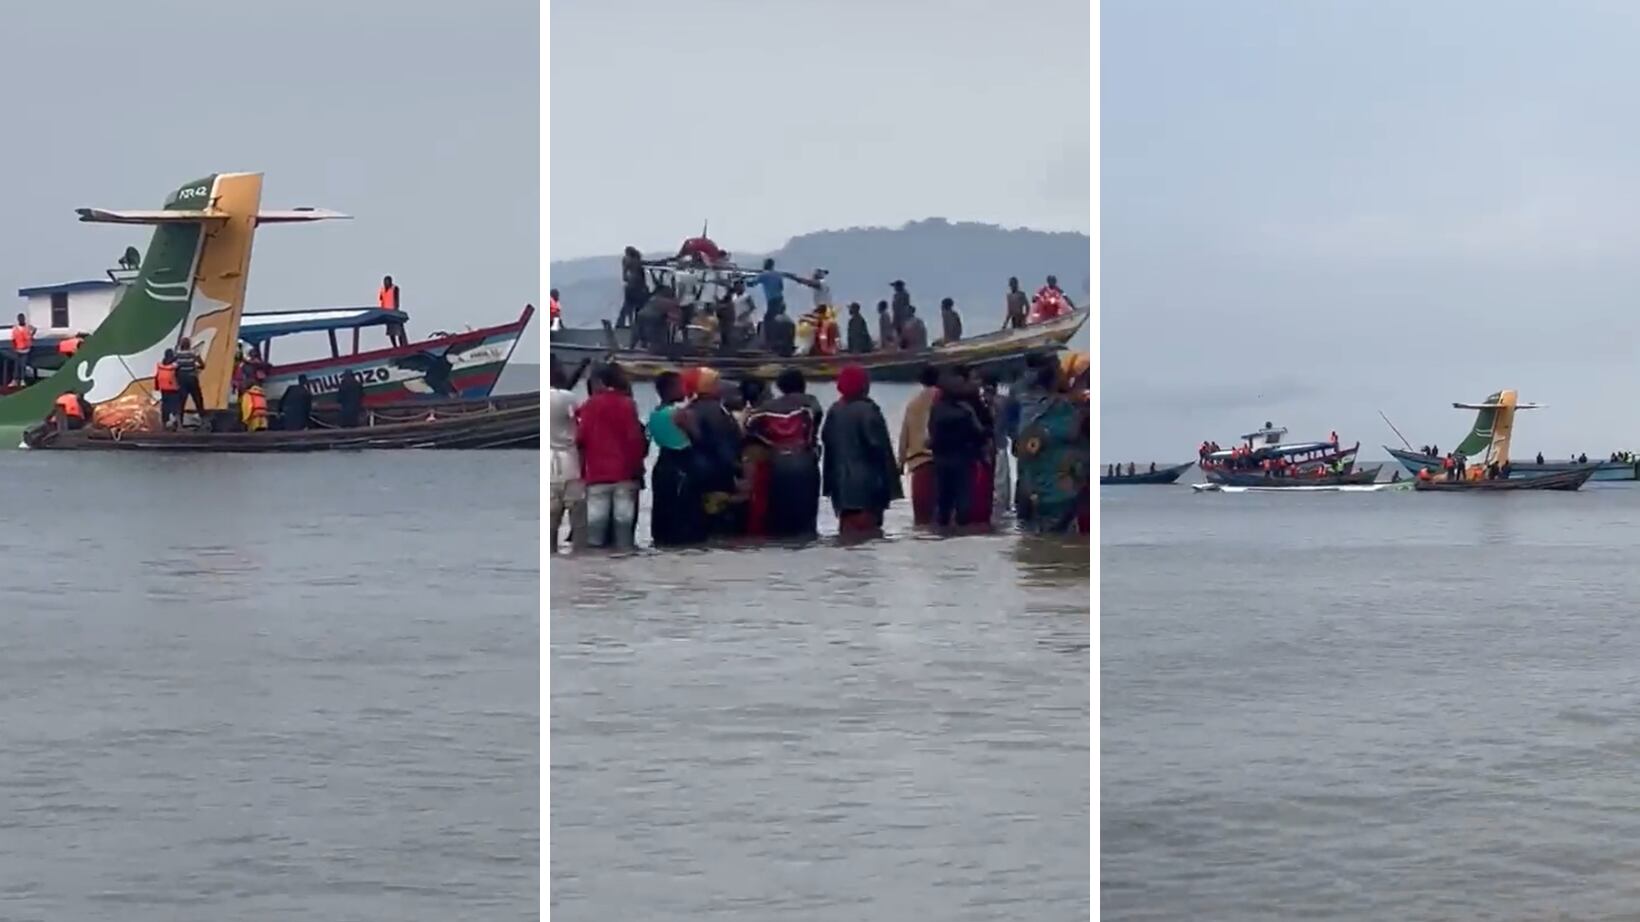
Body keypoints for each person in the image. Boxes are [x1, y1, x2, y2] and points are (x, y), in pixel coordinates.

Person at [821, 364, 903, 537]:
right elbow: (880, 451)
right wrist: (891, 487)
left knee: (847, 536)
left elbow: (828, 448)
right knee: (869, 536)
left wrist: (828, 486)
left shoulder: (834, 411)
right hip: (868, 487)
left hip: (841, 488)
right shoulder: (869, 411)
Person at [1014, 352, 1090, 534]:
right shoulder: (1062, 409)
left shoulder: (1025, 402)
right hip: (1055, 494)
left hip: (1039, 491)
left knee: (1038, 547)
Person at [745, 368, 824, 539]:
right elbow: (816, 418)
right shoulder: (810, 402)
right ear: (803, 384)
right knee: (806, 522)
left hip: (777, 465)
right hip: (805, 464)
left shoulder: (767, 408)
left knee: (779, 520)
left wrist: (769, 443)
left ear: (780, 387)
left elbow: (749, 426)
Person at [576, 363, 646, 550]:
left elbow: (581, 438)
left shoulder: (591, 405)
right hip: (625, 476)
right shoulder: (628, 404)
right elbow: (635, 440)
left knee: (595, 537)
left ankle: (600, 574)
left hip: (598, 477)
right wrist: (636, 469)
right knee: (625, 536)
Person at [679, 367, 744, 538]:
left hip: (695, 472)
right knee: (720, 525)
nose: (722, 386)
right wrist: (738, 470)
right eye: (716, 382)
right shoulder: (715, 411)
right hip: (716, 473)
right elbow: (722, 444)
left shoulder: (690, 409)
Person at [647, 371, 703, 547]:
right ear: (670, 389)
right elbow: (698, 438)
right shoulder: (681, 414)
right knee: (683, 516)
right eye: (680, 386)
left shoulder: (654, 414)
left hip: (663, 464)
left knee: (663, 512)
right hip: (682, 466)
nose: (684, 389)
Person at [928, 371, 987, 529]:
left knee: (943, 503)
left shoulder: (937, 409)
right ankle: (960, 535)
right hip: (962, 460)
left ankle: (942, 533)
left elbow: (932, 433)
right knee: (963, 503)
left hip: (941, 460)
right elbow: (979, 433)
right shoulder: (966, 411)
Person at [549, 357, 589, 552]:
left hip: (548, 466)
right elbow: (579, 417)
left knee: (550, 523)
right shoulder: (567, 398)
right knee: (579, 521)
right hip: (570, 463)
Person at [898, 365, 940, 525]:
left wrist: (901, 461)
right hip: (941, 462)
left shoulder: (913, 404)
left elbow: (904, 435)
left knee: (922, 521)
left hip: (918, 464)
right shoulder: (943, 398)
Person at [173, 335, 206, 425]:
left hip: (182, 379)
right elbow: (202, 365)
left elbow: (174, 366)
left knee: (181, 401)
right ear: (189, 345)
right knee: (198, 399)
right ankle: (203, 419)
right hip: (192, 378)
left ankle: (179, 422)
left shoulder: (177, 354)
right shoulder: (194, 353)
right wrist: (197, 366)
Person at [751, 258, 789, 332]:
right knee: (779, 318)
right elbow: (781, 287)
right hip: (780, 299)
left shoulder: (764, 275)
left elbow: (752, 283)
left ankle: (767, 337)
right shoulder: (777, 274)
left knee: (768, 319)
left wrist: (744, 279)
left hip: (772, 301)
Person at [618, 247, 648, 329]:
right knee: (638, 306)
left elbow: (624, 277)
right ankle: (636, 324)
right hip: (638, 286)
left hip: (630, 286)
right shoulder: (637, 261)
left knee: (628, 306)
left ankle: (625, 324)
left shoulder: (626, 260)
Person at [154, 350, 182, 430]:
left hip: (163, 389)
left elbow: (157, 376)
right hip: (173, 389)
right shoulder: (174, 366)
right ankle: (179, 426)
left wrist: (156, 387)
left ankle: (164, 425)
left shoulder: (160, 365)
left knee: (165, 407)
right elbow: (178, 376)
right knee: (176, 407)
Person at [378, 275, 407, 348]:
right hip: (386, 313)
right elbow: (381, 300)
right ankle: (395, 346)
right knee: (390, 332)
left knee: (398, 331)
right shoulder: (382, 290)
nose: (386, 283)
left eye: (388, 281)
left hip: (393, 312)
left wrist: (396, 310)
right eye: (385, 281)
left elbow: (396, 300)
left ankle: (402, 346)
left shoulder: (395, 288)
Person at [9, 313, 35, 386]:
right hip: (18, 349)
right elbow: (13, 339)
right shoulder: (15, 329)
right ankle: (15, 380)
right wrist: (14, 348)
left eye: (22, 318)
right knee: (16, 366)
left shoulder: (27, 327)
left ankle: (22, 380)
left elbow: (34, 330)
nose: (21, 320)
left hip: (26, 349)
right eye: (20, 319)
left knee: (23, 365)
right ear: (18, 320)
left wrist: (31, 336)